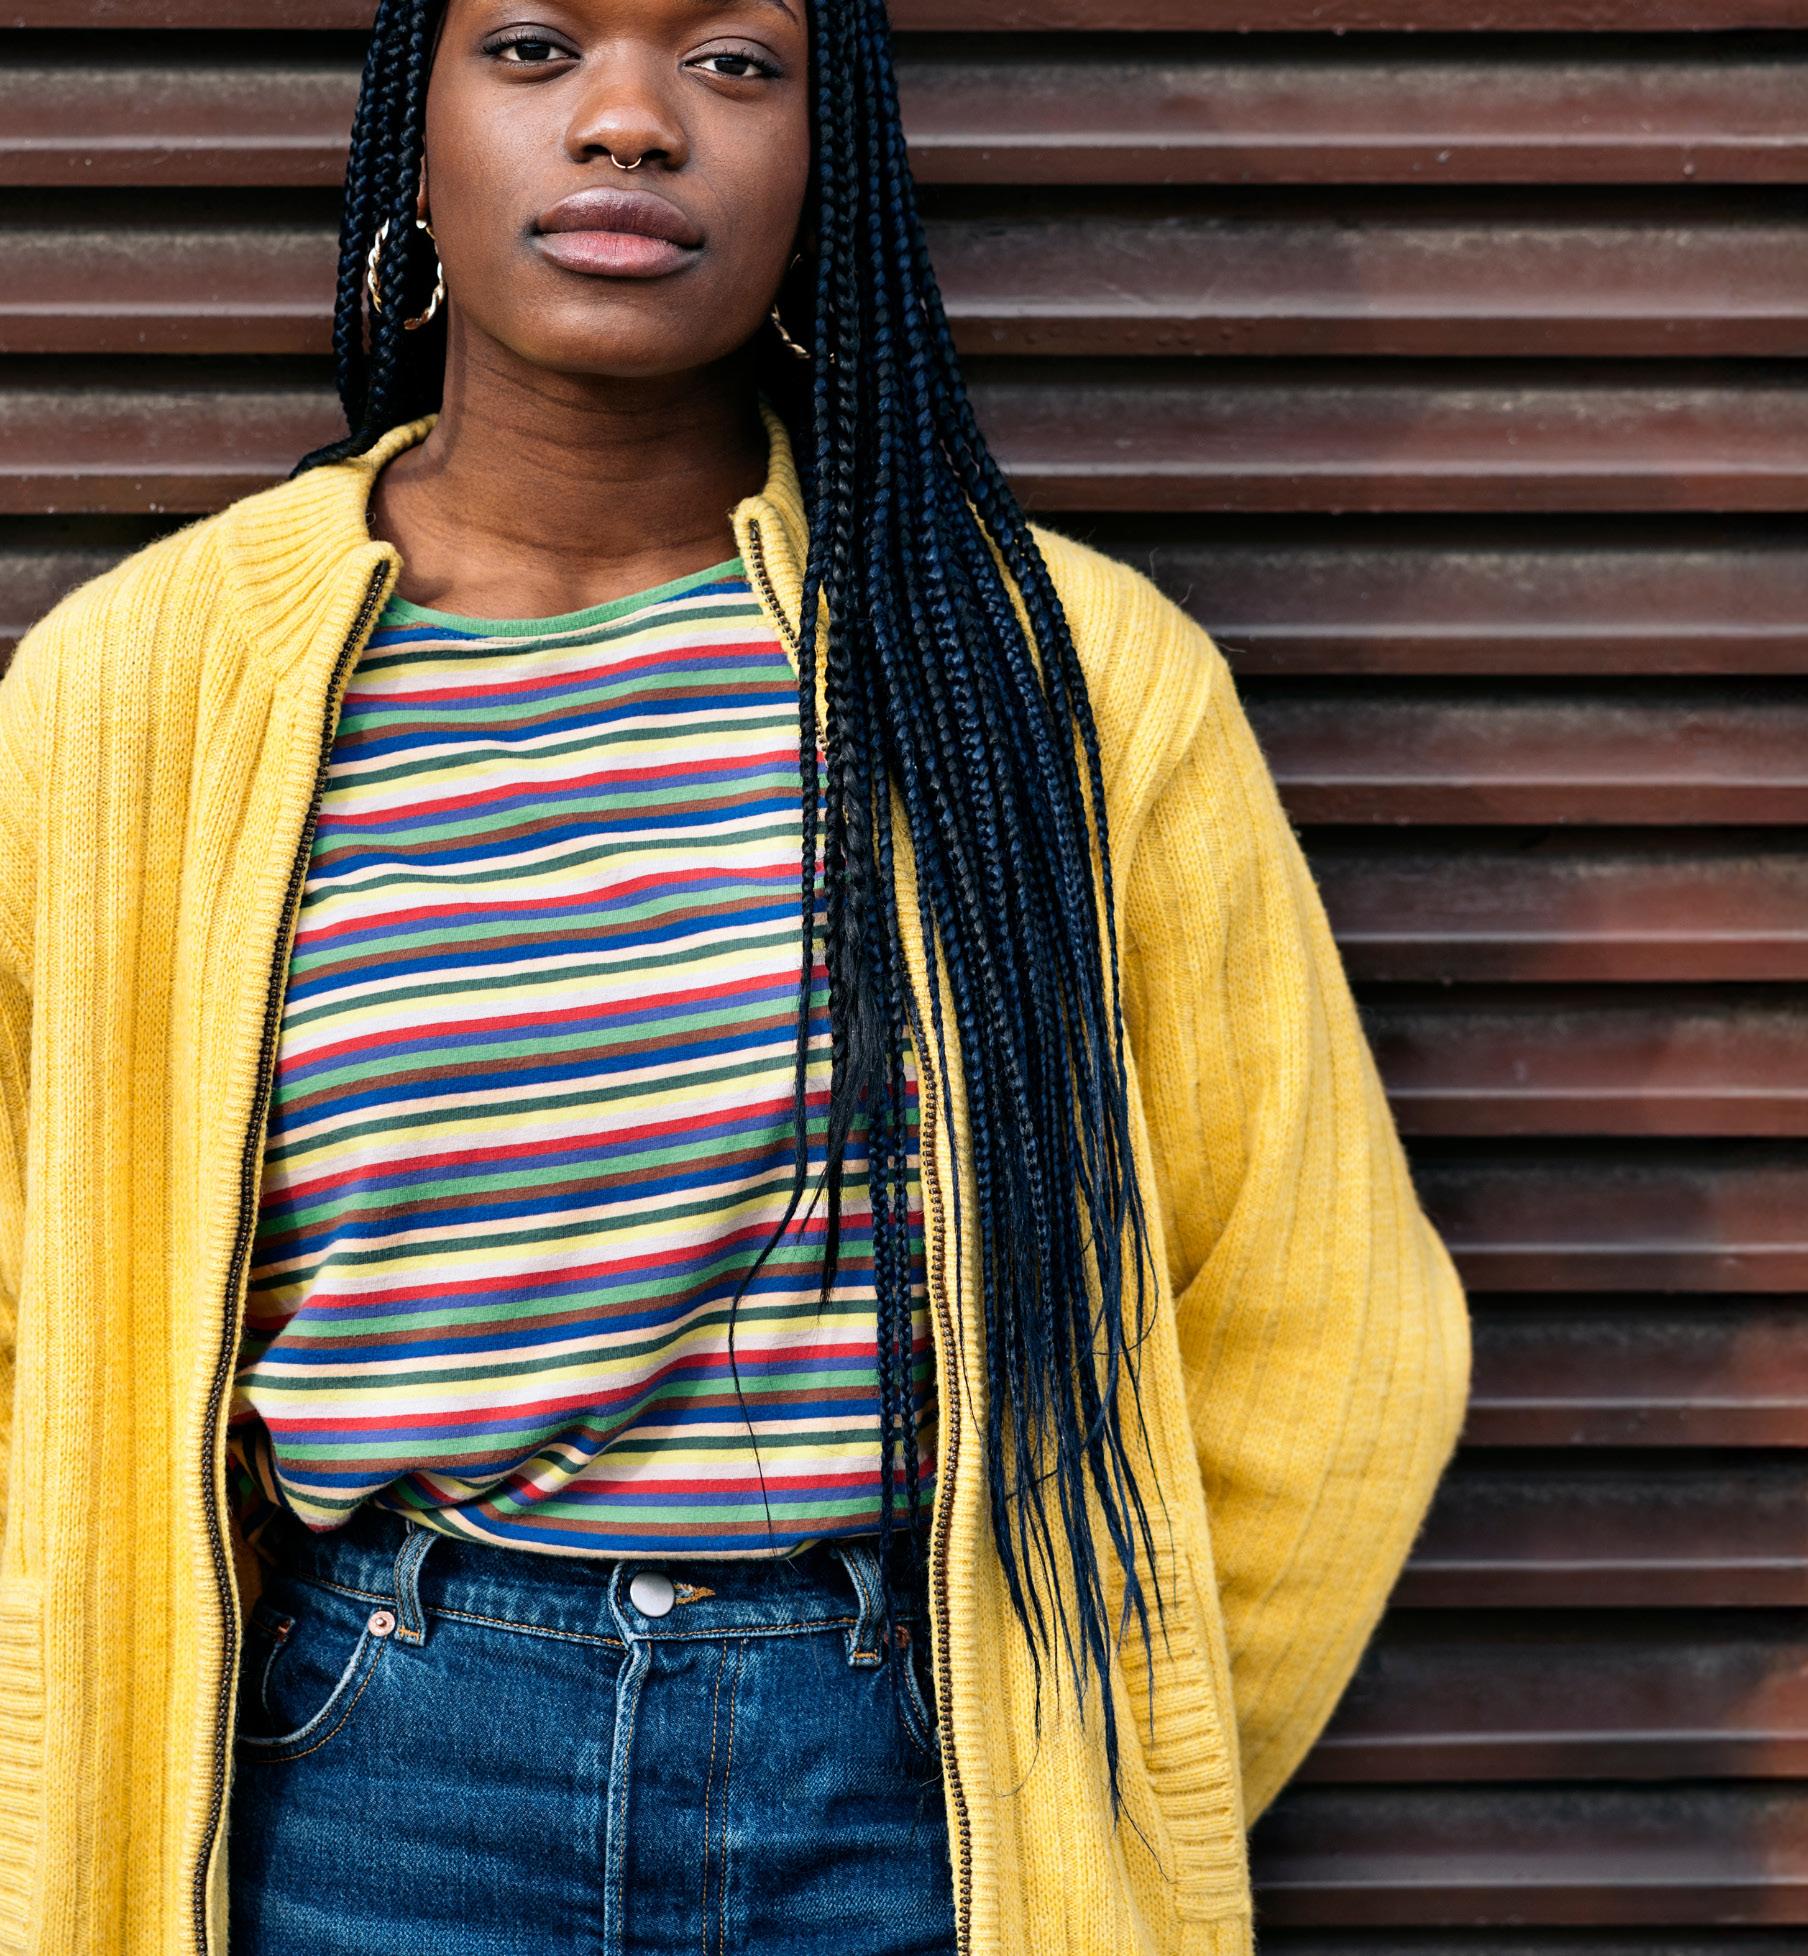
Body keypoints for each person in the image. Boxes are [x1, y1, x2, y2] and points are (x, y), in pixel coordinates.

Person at [0, 0, 1471, 1949]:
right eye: (536, 48)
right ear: (414, 139)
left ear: (821, 162)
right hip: (354, 1785)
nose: (630, 120)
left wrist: (1111, 1777)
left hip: (917, 1788)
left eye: (734, 61)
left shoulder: (1049, 678)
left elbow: (1322, 1327)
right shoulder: (137, 698)